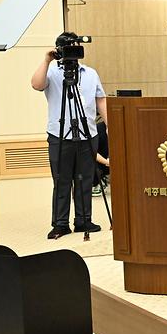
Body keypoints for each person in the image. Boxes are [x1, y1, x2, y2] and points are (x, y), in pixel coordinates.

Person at [31, 43, 108, 239]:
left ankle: (83, 220)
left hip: (87, 134)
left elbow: (100, 99)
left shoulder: (90, 73)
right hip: (59, 134)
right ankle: (60, 223)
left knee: (85, 180)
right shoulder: (52, 72)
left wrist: (110, 126)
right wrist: (47, 59)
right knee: (62, 179)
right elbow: (36, 84)